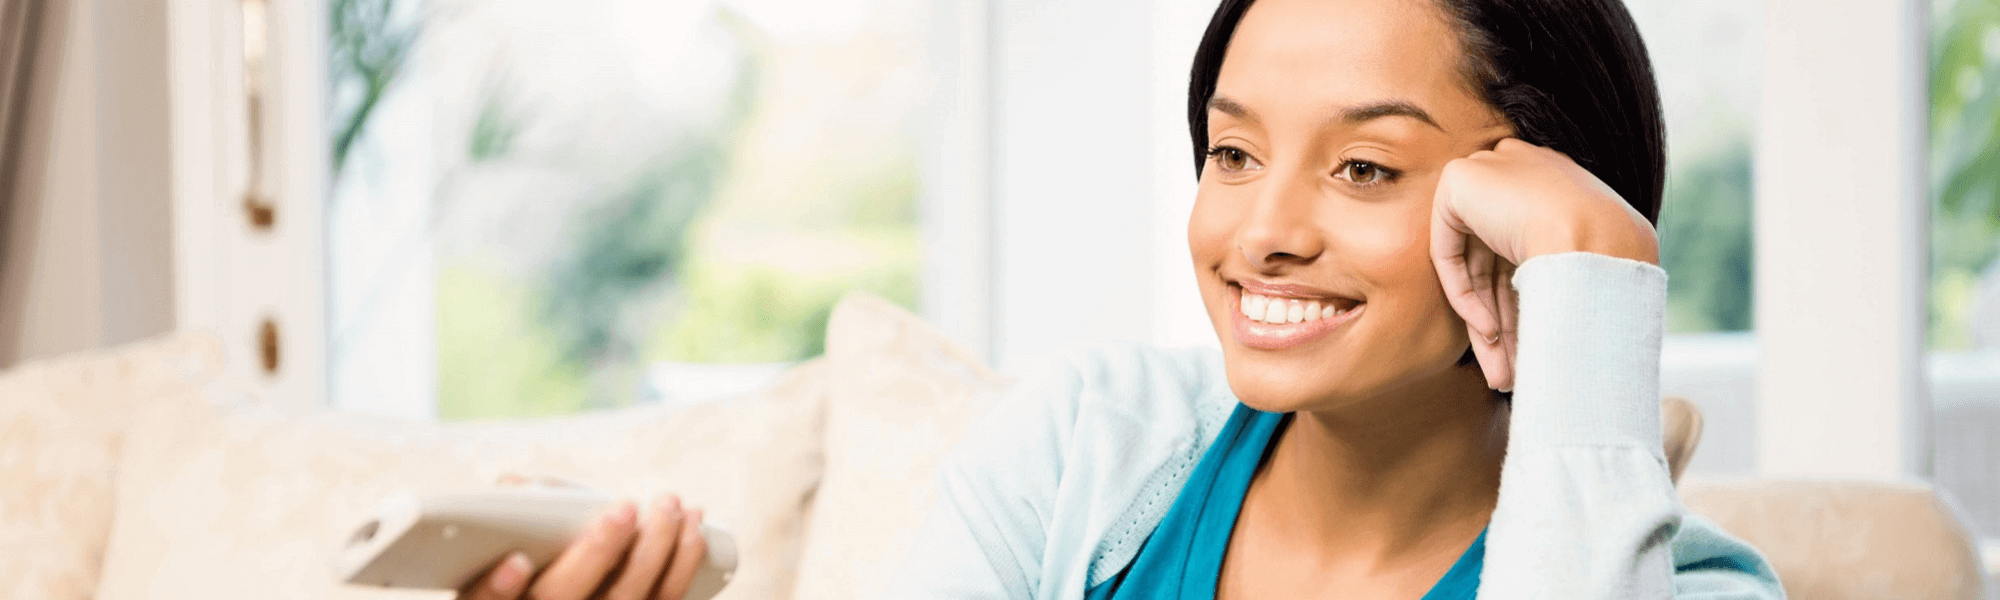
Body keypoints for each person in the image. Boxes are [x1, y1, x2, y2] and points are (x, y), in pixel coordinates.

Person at [882, 0, 1781, 598]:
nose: (1264, 233)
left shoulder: (1688, 587)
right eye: (1234, 154)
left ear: (1526, 214)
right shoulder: (1084, 444)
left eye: (1364, 168)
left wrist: (1593, 273)